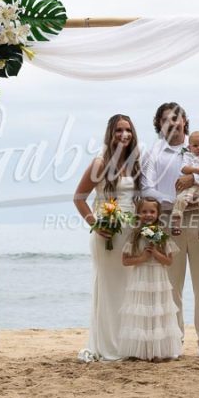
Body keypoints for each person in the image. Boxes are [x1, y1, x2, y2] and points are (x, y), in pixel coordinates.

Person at [140, 102, 199, 358]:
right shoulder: (154, 153)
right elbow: (146, 189)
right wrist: (173, 198)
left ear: (184, 122)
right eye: (167, 119)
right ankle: (175, 340)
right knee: (172, 286)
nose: (173, 123)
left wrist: (195, 179)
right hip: (171, 219)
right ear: (159, 123)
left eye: (177, 119)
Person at [73, 114, 142, 362]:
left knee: (130, 289)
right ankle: (108, 345)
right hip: (108, 235)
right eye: (118, 131)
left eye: (128, 130)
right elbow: (79, 198)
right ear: (110, 134)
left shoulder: (136, 163)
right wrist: (95, 223)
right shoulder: (100, 164)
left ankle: (129, 343)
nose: (124, 135)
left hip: (131, 234)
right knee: (109, 289)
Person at [118, 198, 182, 361]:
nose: (148, 215)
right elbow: (125, 261)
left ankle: (157, 351)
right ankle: (141, 350)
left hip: (158, 278)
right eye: (144, 211)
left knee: (157, 311)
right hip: (141, 278)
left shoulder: (162, 236)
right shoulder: (134, 237)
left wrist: (155, 253)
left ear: (158, 214)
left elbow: (168, 261)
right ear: (138, 214)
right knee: (142, 312)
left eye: (152, 211)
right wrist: (142, 257)